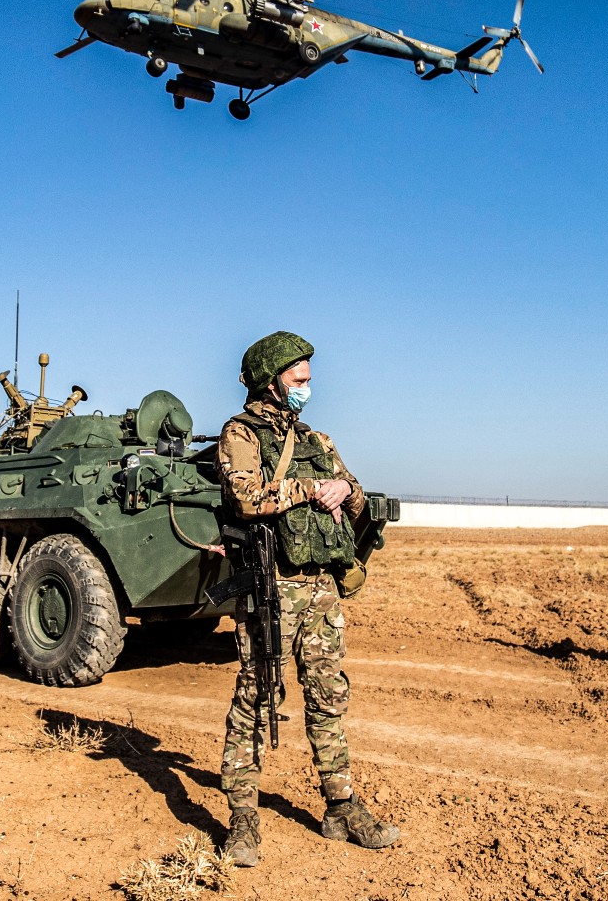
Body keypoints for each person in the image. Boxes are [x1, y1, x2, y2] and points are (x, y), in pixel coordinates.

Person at [214, 331, 399, 867]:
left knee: (328, 698)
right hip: (271, 588)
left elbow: (356, 494)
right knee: (256, 699)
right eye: (298, 381)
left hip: (321, 590)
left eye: (308, 381)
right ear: (271, 382)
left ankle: (340, 807)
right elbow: (246, 497)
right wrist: (310, 489)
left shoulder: (316, 440)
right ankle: (243, 820)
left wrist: (343, 489)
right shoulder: (239, 434)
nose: (306, 389)